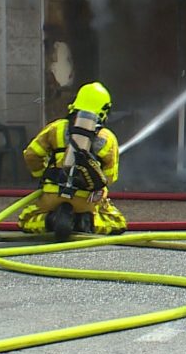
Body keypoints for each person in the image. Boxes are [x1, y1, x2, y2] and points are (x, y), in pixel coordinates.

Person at [18, 81, 127, 240]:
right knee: (117, 222)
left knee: (26, 219)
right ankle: (88, 222)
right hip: (87, 199)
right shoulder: (107, 138)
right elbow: (110, 177)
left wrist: (42, 175)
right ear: (104, 109)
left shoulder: (56, 128)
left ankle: (50, 221)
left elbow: (31, 155)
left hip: (53, 194)